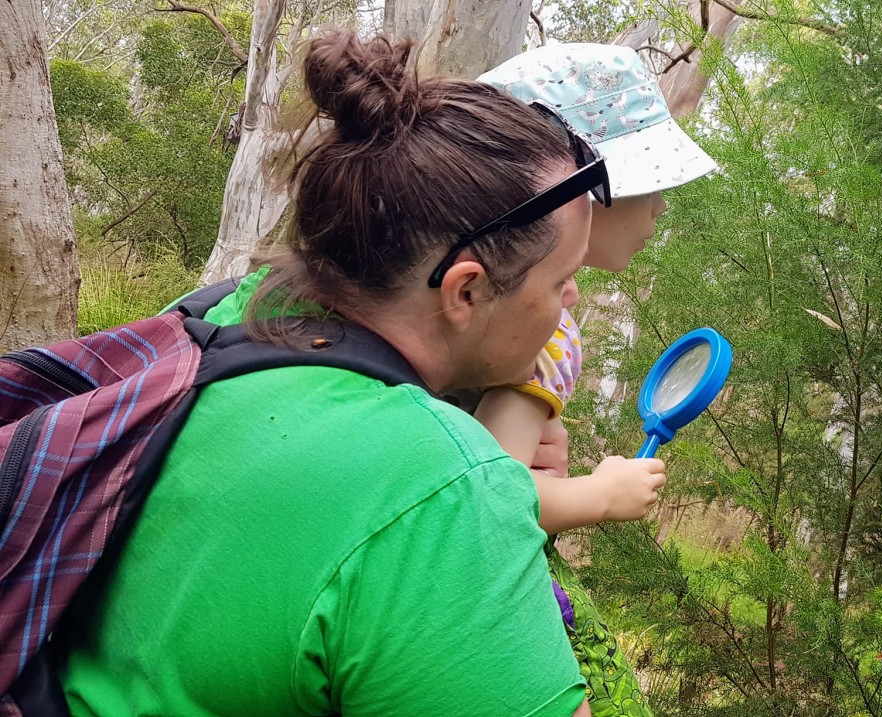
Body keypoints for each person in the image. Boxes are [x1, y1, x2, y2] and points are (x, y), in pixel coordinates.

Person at [60, 29, 604, 717]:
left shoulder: (219, 315)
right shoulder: (444, 493)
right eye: (562, 279)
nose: (572, 300)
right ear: (465, 292)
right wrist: (465, 468)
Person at [475, 44, 719, 717]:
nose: (661, 210)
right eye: (650, 186)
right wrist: (599, 495)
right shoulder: (543, 328)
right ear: (579, 191)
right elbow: (491, 495)